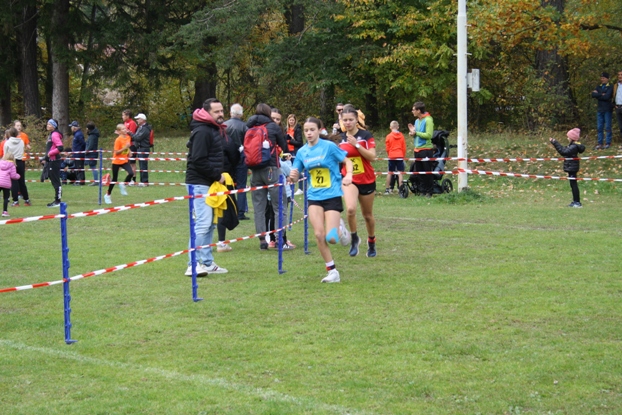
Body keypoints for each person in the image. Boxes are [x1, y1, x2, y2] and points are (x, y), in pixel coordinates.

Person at [290, 117, 353, 283]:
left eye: (312, 130)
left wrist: (349, 175)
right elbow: (295, 174)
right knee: (319, 234)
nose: (309, 133)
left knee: (332, 238)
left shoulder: (329, 147)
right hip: (314, 197)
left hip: (332, 195)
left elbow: (347, 161)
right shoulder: (302, 152)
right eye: (306, 130)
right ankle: (332, 271)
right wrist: (293, 176)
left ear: (319, 130)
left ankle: (340, 229)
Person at [185, 98, 228, 276]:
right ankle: (192, 264)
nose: (221, 114)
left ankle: (207, 262)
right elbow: (198, 159)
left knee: (209, 224)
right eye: (216, 111)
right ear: (207, 113)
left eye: (222, 110)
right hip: (199, 183)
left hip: (209, 183)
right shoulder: (203, 131)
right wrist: (217, 175)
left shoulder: (213, 129)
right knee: (202, 224)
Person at [246, 103, 289, 250]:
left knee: (259, 207)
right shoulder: (273, 127)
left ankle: (262, 240)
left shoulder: (249, 126)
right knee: (279, 205)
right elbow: (284, 146)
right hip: (271, 169)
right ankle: (279, 238)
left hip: (255, 171)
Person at [338, 104, 378, 258]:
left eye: (350, 120)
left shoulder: (365, 136)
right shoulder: (340, 138)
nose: (347, 123)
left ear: (356, 120)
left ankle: (371, 241)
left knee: (367, 215)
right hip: (349, 179)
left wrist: (356, 145)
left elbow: (372, 157)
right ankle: (354, 238)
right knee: (350, 209)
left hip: (366, 179)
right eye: (345, 120)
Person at [216, 109, 241, 253]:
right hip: (223, 177)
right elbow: (234, 157)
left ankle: (205, 244)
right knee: (222, 210)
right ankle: (221, 242)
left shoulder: (202, 136)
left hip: (206, 177)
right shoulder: (225, 139)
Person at [224, 103, 250, 220]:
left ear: (231, 113)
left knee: (227, 184)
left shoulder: (224, 126)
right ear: (241, 114)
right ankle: (240, 212)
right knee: (241, 186)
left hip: (227, 160)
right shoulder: (245, 127)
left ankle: (228, 209)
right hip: (241, 159)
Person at [549, 128, 586, 208]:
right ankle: (575, 201)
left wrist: (555, 143)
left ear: (572, 138)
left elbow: (564, 152)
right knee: (573, 184)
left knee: (574, 184)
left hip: (572, 167)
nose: (567, 138)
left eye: (568, 137)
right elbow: (564, 149)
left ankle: (577, 202)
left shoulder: (574, 146)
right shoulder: (572, 146)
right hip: (571, 166)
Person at [408, 101, 435, 197]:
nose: (412, 111)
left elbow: (429, 135)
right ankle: (422, 190)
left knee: (427, 171)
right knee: (419, 172)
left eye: (413, 110)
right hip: (417, 149)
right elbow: (417, 133)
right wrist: (412, 133)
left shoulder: (428, 120)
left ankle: (429, 191)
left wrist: (416, 133)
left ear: (419, 110)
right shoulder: (416, 121)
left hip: (426, 149)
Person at [104, 124, 134, 205]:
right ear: (119, 131)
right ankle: (107, 195)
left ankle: (123, 184)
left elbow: (127, 146)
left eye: (125, 128)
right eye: (123, 129)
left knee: (131, 173)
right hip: (116, 161)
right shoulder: (118, 140)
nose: (125, 130)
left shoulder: (128, 137)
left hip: (124, 160)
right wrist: (125, 148)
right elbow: (116, 152)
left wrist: (129, 151)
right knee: (114, 179)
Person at [3, 127, 30, 206]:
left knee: (13, 182)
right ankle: (26, 200)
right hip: (20, 161)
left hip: (11, 162)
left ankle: (15, 201)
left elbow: (5, 154)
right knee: (22, 181)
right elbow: (22, 150)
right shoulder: (21, 141)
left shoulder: (7, 143)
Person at [44, 119, 64, 208]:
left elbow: (60, 147)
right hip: (51, 160)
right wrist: (45, 157)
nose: (47, 125)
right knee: (53, 180)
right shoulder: (52, 134)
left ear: (53, 126)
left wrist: (49, 154)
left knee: (56, 181)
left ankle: (58, 201)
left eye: (49, 124)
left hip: (54, 161)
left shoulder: (55, 134)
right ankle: (57, 199)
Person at [591, 72, 613, 150]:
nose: (602, 79)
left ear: (607, 79)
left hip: (607, 109)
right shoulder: (599, 86)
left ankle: (608, 142)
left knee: (608, 127)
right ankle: (600, 143)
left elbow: (607, 97)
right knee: (599, 127)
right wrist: (601, 94)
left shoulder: (610, 86)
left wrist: (599, 95)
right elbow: (593, 94)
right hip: (600, 109)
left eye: (603, 78)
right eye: (601, 78)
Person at [384, 120, 406, 194]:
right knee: (400, 173)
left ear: (390, 127)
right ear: (398, 127)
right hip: (400, 155)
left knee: (390, 172)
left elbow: (387, 148)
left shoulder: (388, 136)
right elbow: (404, 147)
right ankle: (401, 189)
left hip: (391, 155)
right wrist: (403, 155)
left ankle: (387, 189)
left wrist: (389, 154)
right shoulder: (401, 136)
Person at [130, 113, 152, 186]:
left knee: (143, 165)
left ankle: (145, 181)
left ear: (142, 120)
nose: (137, 120)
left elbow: (138, 138)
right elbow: (136, 137)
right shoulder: (141, 128)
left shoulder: (145, 129)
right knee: (141, 165)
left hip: (143, 148)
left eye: (138, 119)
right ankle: (142, 181)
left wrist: (130, 133)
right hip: (140, 148)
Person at [0, 152, 20, 217]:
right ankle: (5, 211)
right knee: (6, 198)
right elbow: (13, 176)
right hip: (6, 184)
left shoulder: (0, 163)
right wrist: (18, 176)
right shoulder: (12, 165)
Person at [122, 109, 138, 180]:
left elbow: (132, 134)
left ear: (127, 116)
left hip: (131, 145)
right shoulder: (125, 123)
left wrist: (125, 133)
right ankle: (128, 179)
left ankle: (133, 179)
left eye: (123, 115)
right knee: (126, 162)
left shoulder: (132, 123)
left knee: (132, 163)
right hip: (125, 145)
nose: (122, 117)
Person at [69, 121, 86, 185]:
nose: (71, 128)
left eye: (71, 127)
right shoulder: (76, 134)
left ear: (74, 127)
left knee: (79, 167)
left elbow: (83, 144)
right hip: (76, 154)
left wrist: (80, 151)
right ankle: (78, 180)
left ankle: (80, 181)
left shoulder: (78, 134)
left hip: (79, 154)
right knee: (77, 167)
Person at [613, 70, 622, 146]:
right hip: (618, 107)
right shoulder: (616, 85)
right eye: (618, 75)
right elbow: (613, 95)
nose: (620, 76)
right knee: (621, 127)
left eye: (621, 74)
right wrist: (614, 105)